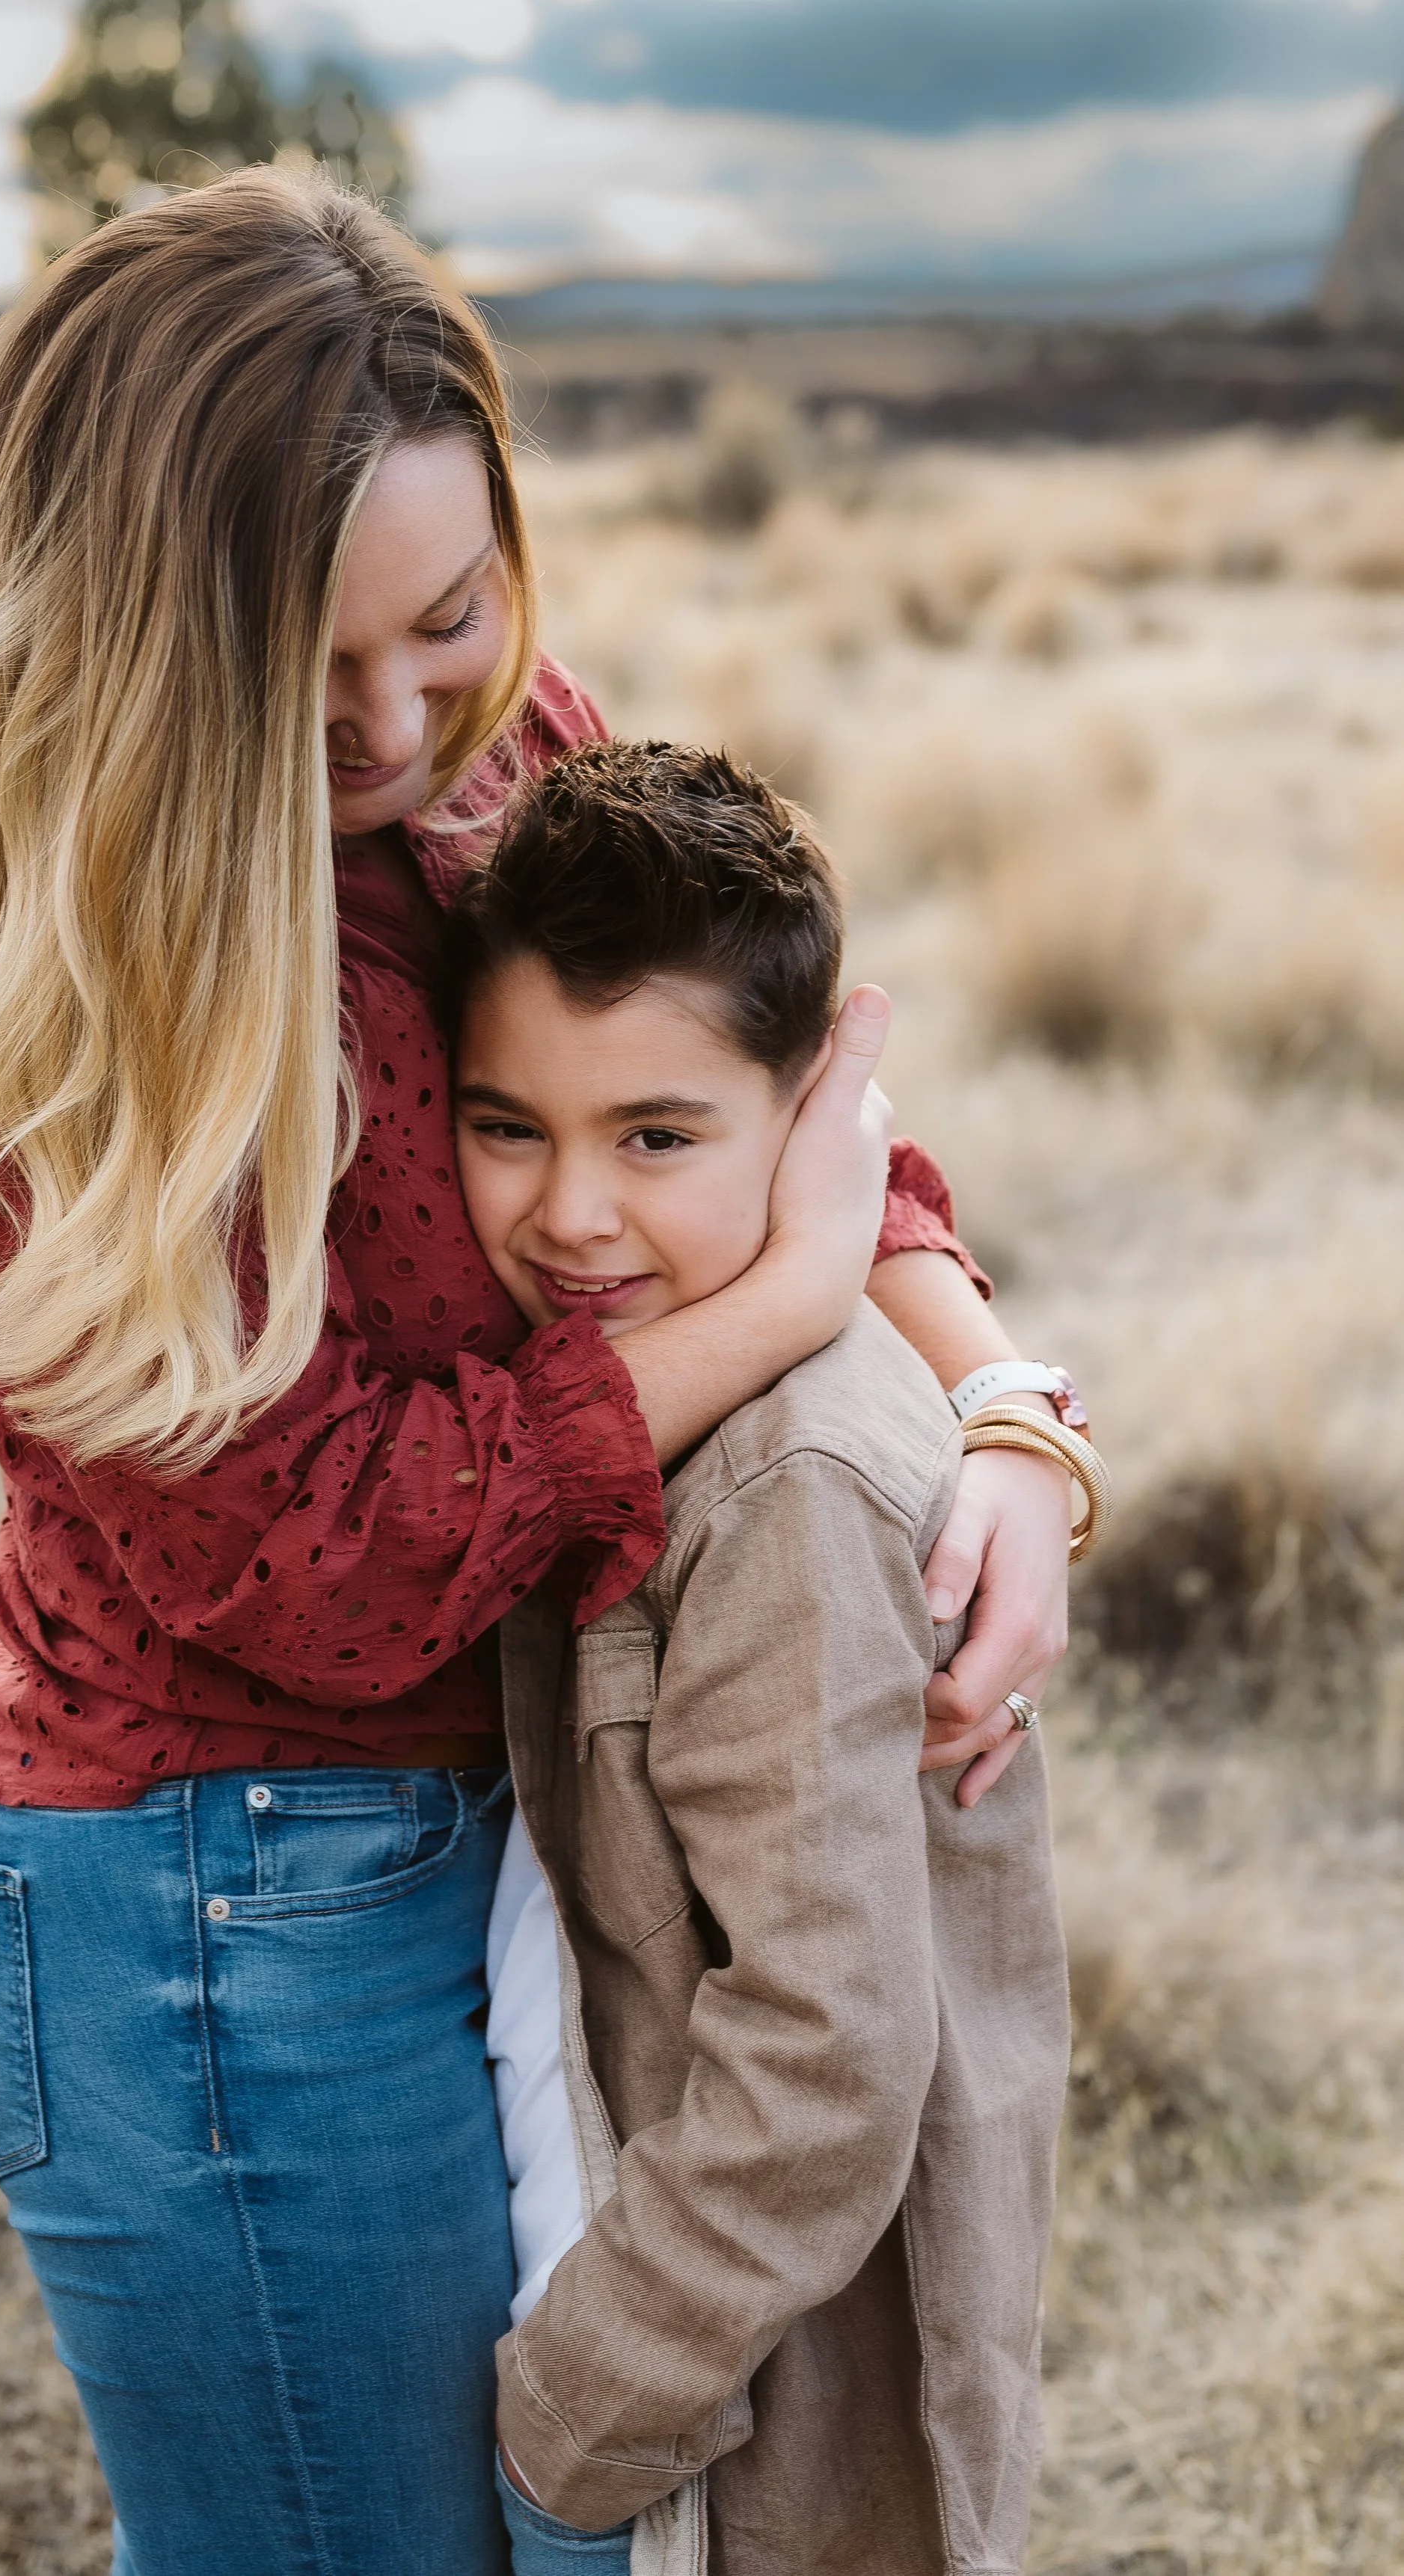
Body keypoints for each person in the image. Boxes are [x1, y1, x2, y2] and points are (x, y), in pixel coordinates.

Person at [0, 171, 1071, 2576]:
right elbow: (323, 1563)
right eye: (301, 664)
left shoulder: (477, 762)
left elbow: (760, 1100)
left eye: (446, 620)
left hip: (501, 1838)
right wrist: (765, 1321)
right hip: (216, 1915)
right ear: (135, 643)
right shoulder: (59, 994)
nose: (394, 722)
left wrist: (1000, 1412)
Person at [443, 740, 1083, 2575]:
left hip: (713, 2439)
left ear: (815, 1122)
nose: (570, 1213)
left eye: (654, 1136)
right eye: (508, 1126)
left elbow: (824, 2054)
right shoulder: (653, 1396)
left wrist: (574, 2410)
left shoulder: (778, 1484)